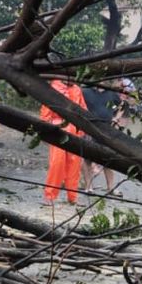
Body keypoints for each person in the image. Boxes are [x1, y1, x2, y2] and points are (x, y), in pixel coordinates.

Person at [39, 78, 88, 206]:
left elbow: (83, 110)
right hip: (57, 129)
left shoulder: (77, 89)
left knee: (74, 164)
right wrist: (46, 131)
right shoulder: (53, 87)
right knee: (57, 163)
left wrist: (83, 130)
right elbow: (46, 111)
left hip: (75, 130)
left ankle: (73, 197)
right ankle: (49, 196)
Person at [81, 84, 120, 194]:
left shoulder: (112, 93)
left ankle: (110, 188)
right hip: (89, 128)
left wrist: (116, 118)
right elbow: (77, 105)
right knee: (87, 159)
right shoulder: (85, 91)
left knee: (108, 159)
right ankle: (88, 187)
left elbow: (122, 105)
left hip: (107, 130)